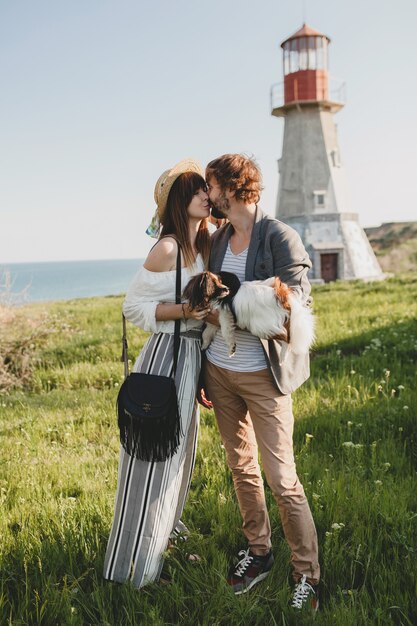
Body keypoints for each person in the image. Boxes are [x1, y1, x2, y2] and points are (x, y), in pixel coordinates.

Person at [202, 153, 320, 611]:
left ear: (231, 189)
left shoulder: (281, 237)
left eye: (211, 186)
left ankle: (307, 573)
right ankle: (259, 552)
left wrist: (239, 306)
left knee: (282, 478)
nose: (208, 195)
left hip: (265, 378)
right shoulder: (218, 239)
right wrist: (202, 369)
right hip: (220, 369)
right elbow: (212, 303)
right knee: (241, 467)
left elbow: (298, 309)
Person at [103, 159, 211, 589]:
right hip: (165, 358)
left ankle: (156, 548)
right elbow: (132, 307)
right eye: (199, 190)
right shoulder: (167, 248)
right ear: (181, 201)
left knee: (177, 460)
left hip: (189, 361)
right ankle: (130, 572)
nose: (207, 195)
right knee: (150, 462)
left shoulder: (202, 246)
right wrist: (184, 310)